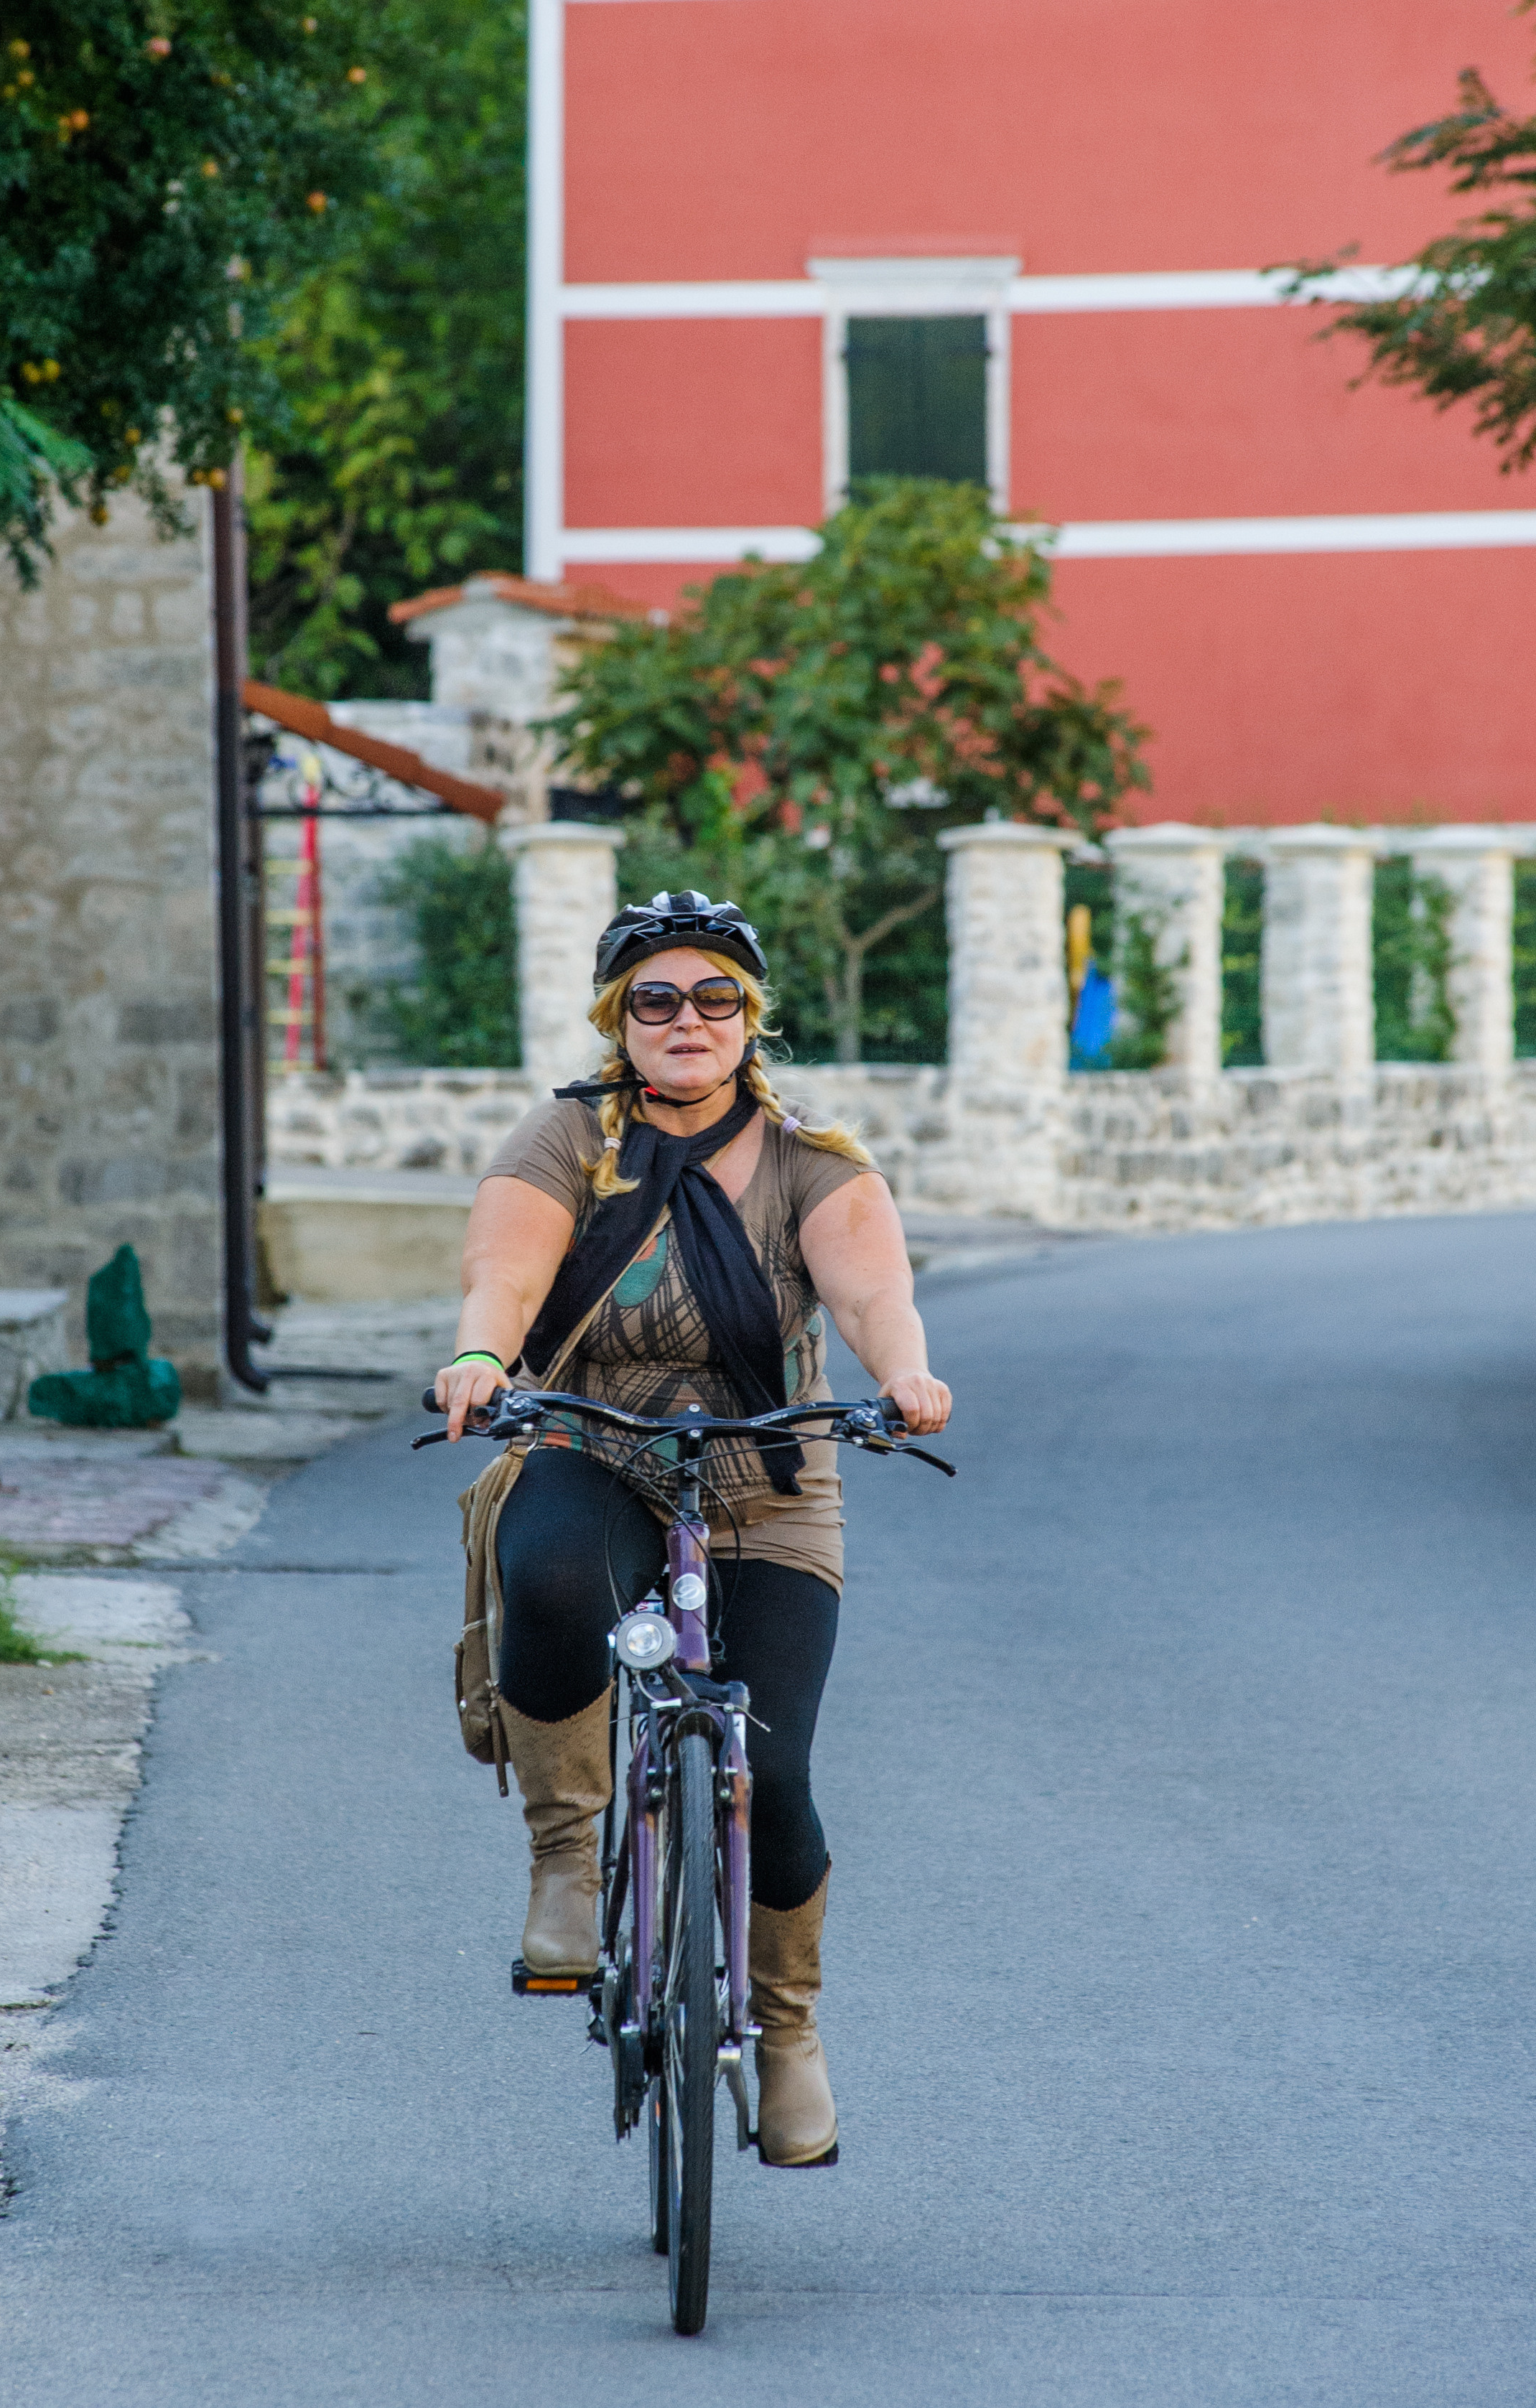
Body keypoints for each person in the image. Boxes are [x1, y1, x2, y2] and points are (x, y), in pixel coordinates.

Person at [434, 889, 951, 2167]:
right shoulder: (571, 1138)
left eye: (714, 997)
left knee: (768, 1777)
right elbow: (503, 1268)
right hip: (591, 1441)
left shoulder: (811, 1160)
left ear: (749, 1020)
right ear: (621, 1020)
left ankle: (784, 2034)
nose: (687, 1020)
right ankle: (565, 1860)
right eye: (656, 998)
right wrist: (481, 1355)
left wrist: (902, 1371)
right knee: (547, 1571)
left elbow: (870, 1284)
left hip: (766, 1481)